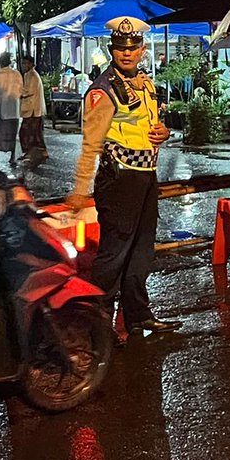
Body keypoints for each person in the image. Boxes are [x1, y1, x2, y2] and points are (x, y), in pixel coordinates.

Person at [66, 17, 180, 336]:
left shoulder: (145, 85)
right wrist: (79, 189)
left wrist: (162, 132)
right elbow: (90, 144)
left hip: (145, 177)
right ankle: (99, 323)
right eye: (119, 49)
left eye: (131, 49)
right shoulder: (103, 91)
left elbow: (150, 127)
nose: (125, 54)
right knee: (113, 255)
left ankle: (138, 314)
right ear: (111, 50)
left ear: (142, 50)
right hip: (118, 180)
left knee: (142, 251)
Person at [0, 52, 23, 166]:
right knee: (12, 134)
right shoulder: (17, 74)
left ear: (1, 62)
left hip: (2, 109)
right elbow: (20, 91)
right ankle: (12, 157)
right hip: (14, 109)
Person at [18, 55, 48, 162]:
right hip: (32, 109)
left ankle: (33, 153)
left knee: (27, 133)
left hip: (33, 110)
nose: (23, 66)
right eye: (22, 63)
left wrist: (16, 91)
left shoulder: (33, 76)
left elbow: (28, 91)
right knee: (34, 133)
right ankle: (34, 153)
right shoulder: (28, 75)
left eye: (25, 63)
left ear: (31, 64)